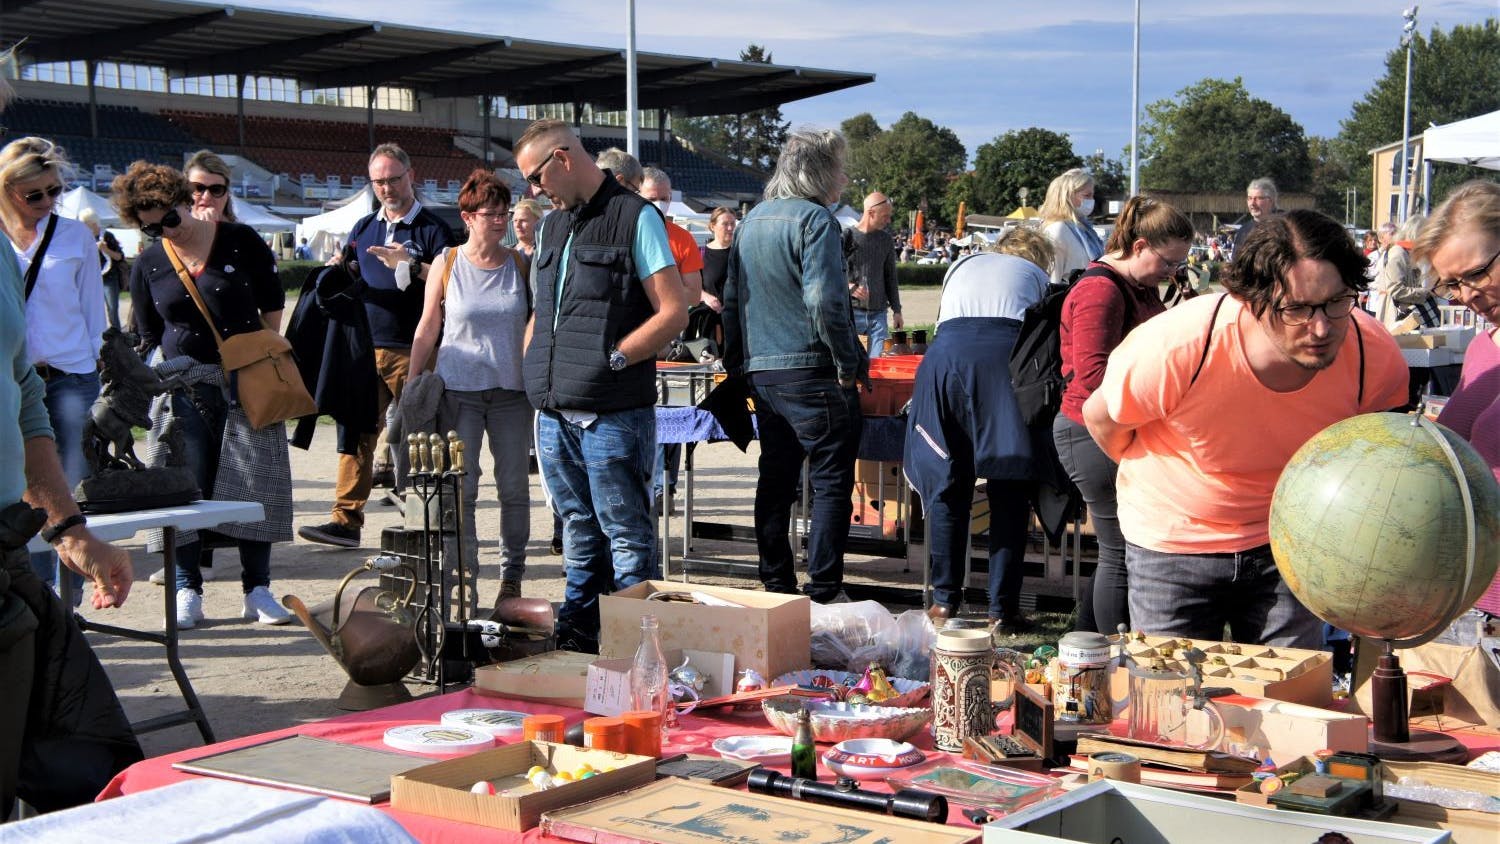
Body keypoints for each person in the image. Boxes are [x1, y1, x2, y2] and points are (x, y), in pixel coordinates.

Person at [1083, 209, 1409, 647]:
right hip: (1174, 542)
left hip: (1294, 543)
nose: (1320, 328)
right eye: (1296, 308)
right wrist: (1177, 483)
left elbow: (1379, 452)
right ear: (1251, 300)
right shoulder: (1181, 345)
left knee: (1292, 699)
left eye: (1336, 302)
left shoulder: (1372, 353)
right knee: (1172, 699)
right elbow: (1102, 420)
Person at [515, 120, 687, 652]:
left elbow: (674, 312)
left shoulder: (637, 217)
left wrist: (614, 359)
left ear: (563, 159)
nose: (534, 192)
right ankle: (577, 636)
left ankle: (633, 648)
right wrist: (531, 367)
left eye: (536, 178)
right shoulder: (550, 227)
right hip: (554, 412)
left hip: (613, 413)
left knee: (627, 536)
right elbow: (543, 312)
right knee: (577, 531)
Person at [115, 161, 294, 629]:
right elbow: (147, 333)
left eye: (168, 218)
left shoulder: (241, 239)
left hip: (246, 379)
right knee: (183, 488)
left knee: (256, 483)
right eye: (151, 226)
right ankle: (186, 588)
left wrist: (257, 356)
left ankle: (257, 589)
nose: (165, 230)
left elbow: (273, 303)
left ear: (183, 200)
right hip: (184, 387)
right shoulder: (151, 261)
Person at [722, 127, 866, 604]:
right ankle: (823, 589)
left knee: (776, 477)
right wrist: (848, 362)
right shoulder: (815, 220)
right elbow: (825, 299)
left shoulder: (751, 221)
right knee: (829, 484)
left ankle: (776, 582)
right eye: (840, 169)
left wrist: (739, 363)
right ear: (822, 171)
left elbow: (731, 301)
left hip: (763, 372)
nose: (844, 179)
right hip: (810, 369)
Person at [299, 143, 455, 548]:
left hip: (413, 347)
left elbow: (451, 287)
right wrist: (337, 271)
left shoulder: (434, 229)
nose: (386, 187)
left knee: (419, 438)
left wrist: (411, 266)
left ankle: (427, 520)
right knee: (356, 433)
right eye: (379, 181)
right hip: (364, 347)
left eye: (393, 179)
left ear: (411, 175)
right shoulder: (364, 227)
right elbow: (352, 270)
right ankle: (346, 520)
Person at [1053, 195, 1191, 635]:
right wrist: (1158, 402)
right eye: (1168, 263)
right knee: (1122, 550)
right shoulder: (1099, 291)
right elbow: (1091, 375)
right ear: (1140, 246)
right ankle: (1110, 652)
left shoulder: (1138, 285)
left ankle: (1088, 643)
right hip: (1089, 431)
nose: (1172, 272)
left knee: (1120, 550)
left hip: (1111, 429)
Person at [909, 228, 1054, 632]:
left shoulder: (961, 264)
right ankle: (1001, 609)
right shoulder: (1034, 275)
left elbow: (943, 323)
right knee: (1011, 490)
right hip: (1004, 364)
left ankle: (943, 602)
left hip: (943, 362)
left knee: (949, 487)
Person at [408, 169, 532, 607]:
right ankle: (464, 573)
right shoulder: (447, 262)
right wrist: (411, 382)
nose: (500, 220)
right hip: (458, 390)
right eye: (490, 213)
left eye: (504, 212)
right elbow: (428, 326)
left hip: (511, 392)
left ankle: (511, 576)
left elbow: (533, 321)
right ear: (468, 216)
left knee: (514, 487)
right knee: (463, 488)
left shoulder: (520, 263)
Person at [1, 137, 106, 600]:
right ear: (6, 190)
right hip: (12, 378)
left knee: (63, 491)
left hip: (69, 376)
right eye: (35, 194)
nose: (48, 201)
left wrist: (98, 372)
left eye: (54, 191)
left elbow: (93, 311)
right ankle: (32, 590)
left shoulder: (74, 235)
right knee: (18, 490)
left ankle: (66, 604)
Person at [1413, 180, 1500, 616]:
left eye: (1478, 273)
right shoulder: (1484, 347)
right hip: (1478, 597)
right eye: (1452, 284)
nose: (1467, 296)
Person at [639, 166, 705, 509]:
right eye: (653, 198)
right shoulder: (629, 233)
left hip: (670, 340)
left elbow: (694, 293)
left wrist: (658, 289)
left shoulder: (681, 238)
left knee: (670, 414)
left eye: (665, 199)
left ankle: (667, 483)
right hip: (633, 336)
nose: (660, 204)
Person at [847, 191, 902, 357]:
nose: (888, 220)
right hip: (850, 314)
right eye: (885, 216)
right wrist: (847, 285)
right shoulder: (845, 237)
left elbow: (890, 277)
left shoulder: (886, 240)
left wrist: (897, 310)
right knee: (852, 366)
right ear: (871, 213)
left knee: (877, 365)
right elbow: (830, 271)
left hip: (878, 315)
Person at [1039, 167, 1105, 283]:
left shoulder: (1084, 228)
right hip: (1072, 297)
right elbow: (1052, 280)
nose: (1092, 200)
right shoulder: (1057, 229)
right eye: (1087, 195)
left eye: (1092, 195)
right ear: (1067, 197)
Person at [1370, 214, 1432, 329]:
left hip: (1402, 315)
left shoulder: (1404, 252)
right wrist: (1425, 293)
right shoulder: (1398, 253)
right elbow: (1396, 290)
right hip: (1395, 316)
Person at [77, 208, 124, 331]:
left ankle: (117, 335)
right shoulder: (83, 238)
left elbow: (119, 257)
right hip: (91, 278)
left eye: (85, 224)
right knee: (92, 309)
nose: (83, 227)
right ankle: (95, 333)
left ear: (93, 224)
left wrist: (105, 249)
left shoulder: (107, 236)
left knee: (112, 308)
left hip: (109, 278)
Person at [183, 149, 237, 224]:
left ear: (227, 195)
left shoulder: (244, 233)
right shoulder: (170, 231)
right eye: (198, 188)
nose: (206, 197)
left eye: (216, 190)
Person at [700, 207, 736, 314]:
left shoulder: (741, 252)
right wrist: (705, 296)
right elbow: (688, 286)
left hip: (738, 320)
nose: (730, 228)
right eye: (725, 224)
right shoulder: (700, 254)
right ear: (712, 226)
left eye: (733, 224)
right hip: (710, 320)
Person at [1232, 177, 1280, 254]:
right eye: (1250, 198)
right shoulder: (1243, 231)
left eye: (1258, 198)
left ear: (1271, 201)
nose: (1252, 203)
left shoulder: (1282, 228)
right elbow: (1236, 261)